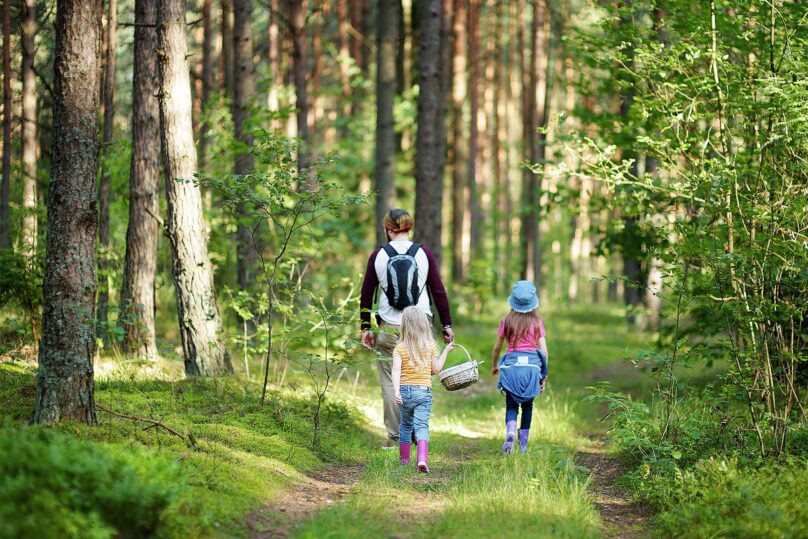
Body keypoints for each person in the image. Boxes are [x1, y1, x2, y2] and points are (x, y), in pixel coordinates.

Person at [360, 209, 454, 450]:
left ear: (387, 228)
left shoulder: (378, 255)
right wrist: (446, 325)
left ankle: (395, 436)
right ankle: (417, 429)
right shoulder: (423, 254)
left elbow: (367, 294)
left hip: (389, 327)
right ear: (409, 227)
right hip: (420, 324)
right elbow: (438, 291)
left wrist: (365, 328)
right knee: (421, 376)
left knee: (391, 382)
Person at [391, 306, 454, 473]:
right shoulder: (430, 346)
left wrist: (396, 391)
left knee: (405, 425)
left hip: (404, 392)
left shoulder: (400, 348)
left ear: (404, 325)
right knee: (421, 426)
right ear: (424, 324)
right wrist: (446, 351)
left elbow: (396, 370)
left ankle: (404, 460)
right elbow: (436, 369)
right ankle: (422, 459)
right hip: (422, 392)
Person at [491, 281, 549, 454]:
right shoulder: (537, 322)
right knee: (528, 406)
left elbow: (496, 348)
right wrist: (543, 375)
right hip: (531, 369)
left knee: (511, 405)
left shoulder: (506, 321)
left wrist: (495, 365)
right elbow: (544, 351)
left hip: (511, 368)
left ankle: (510, 431)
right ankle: (523, 445)